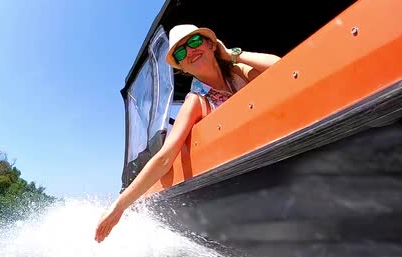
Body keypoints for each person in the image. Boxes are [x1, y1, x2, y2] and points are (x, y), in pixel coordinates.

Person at [94, 24, 281, 243]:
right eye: (181, 52)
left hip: (274, 147)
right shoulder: (196, 101)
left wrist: (231, 55)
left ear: (212, 45)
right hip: (247, 178)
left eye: (194, 42)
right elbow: (165, 157)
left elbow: (281, 69)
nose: (190, 51)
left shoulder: (238, 72)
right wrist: (118, 207)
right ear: (182, 67)